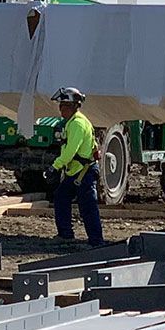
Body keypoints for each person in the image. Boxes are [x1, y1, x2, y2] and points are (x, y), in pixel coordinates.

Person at [50, 87, 105, 248]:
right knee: (61, 197)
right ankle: (65, 234)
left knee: (88, 206)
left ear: (74, 106)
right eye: (60, 106)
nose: (61, 109)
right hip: (78, 171)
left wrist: (55, 167)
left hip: (83, 172)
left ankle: (96, 241)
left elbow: (70, 151)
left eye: (64, 106)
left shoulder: (77, 125)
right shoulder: (75, 122)